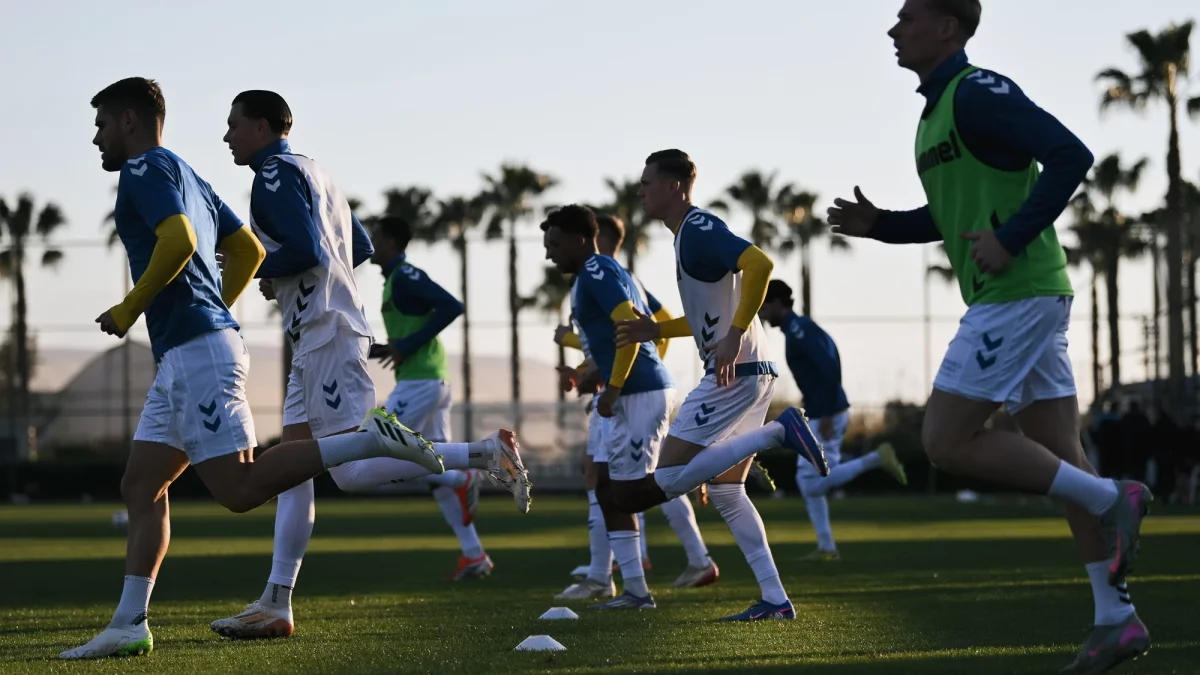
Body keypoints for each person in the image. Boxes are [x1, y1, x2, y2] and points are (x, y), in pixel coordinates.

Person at [64, 77, 444, 660]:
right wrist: (216, 306)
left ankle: (368, 439)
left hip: (196, 351)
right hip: (192, 348)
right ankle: (129, 623)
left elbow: (179, 239)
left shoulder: (141, 170)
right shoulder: (188, 174)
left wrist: (129, 307)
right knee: (141, 484)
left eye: (101, 125)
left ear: (129, 121)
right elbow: (247, 249)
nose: (96, 138)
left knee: (239, 490)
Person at [825, 2, 1151, 670]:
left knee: (944, 441)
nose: (893, 29)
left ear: (948, 26)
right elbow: (948, 214)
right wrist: (881, 224)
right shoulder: (935, 114)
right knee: (1061, 458)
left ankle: (1114, 499)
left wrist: (1011, 237)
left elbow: (1071, 155)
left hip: (1017, 295)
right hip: (1022, 297)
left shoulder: (978, 92)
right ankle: (1116, 618)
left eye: (908, 16)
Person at [208, 91, 529, 640]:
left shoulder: (272, 175)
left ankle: (482, 453)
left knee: (350, 472)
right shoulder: (317, 172)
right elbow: (356, 246)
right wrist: (292, 275)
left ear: (261, 128)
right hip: (320, 333)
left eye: (233, 125)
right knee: (292, 469)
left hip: (326, 333)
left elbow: (308, 250)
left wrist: (263, 266)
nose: (227, 136)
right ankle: (277, 603)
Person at [614, 149, 828, 621]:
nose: (640, 191)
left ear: (674, 186)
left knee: (669, 477)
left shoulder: (698, 228)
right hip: (752, 373)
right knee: (729, 493)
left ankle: (779, 432)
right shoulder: (686, 237)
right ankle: (775, 600)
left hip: (734, 375)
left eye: (647, 182)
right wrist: (658, 329)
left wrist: (733, 335)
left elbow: (760, 264)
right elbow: (707, 317)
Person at [545, 208, 718, 608]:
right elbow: (615, 336)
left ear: (580, 240)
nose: (550, 253)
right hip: (630, 390)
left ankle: (703, 467)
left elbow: (628, 327)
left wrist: (614, 386)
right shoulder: (597, 274)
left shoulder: (597, 271)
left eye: (554, 244)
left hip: (638, 392)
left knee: (626, 492)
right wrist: (590, 375)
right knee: (607, 489)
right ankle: (633, 591)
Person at [368, 215, 495, 582]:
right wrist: (381, 349)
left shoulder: (405, 276)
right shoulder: (394, 280)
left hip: (421, 384)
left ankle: (466, 473)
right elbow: (406, 335)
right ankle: (474, 555)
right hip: (429, 381)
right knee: (434, 476)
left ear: (391, 242)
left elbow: (452, 306)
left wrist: (407, 345)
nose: (370, 243)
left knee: (374, 447)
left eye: (376, 236)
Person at [758, 280, 908, 561]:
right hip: (824, 410)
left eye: (763, 306)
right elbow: (832, 357)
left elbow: (828, 365)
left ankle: (876, 458)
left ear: (777, 302)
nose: (761, 313)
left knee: (810, 481)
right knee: (812, 481)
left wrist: (826, 412)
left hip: (826, 412)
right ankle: (827, 548)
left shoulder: (799, 330)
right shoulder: (800, 328)